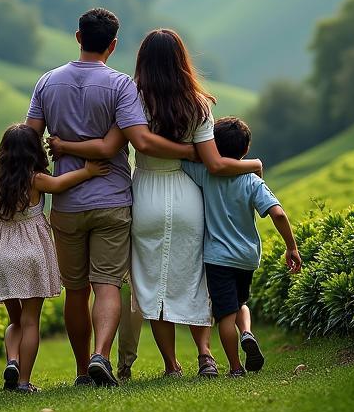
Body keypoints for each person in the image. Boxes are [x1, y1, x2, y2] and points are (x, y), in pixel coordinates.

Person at [49, 28, 264, 378]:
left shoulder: (134, 97)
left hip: (146, 193)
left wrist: (64, 146)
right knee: (195, 279)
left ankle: (170, 365)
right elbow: (213, 163)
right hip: (186, 197)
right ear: (182, 60)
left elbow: (122, 145)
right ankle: (205, 356)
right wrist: (251, 164)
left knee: (153, 286)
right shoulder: (199, 103)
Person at [26, 8, 195, 387]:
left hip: (66, 203)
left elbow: (28, 139)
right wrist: (188, 152)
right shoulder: (122, 87)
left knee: (75, 290)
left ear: (77, 37)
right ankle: (103, 353)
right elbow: (136, 140)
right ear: (113, 45)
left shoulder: (47, 83)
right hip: (113, 199)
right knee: (107, 285)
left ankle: (83, 368)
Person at [0, 122, 110, 393]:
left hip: (3, 257)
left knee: (15, 322)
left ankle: (12, 360)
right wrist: (88, 171)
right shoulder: (36, 179)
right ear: (34, 151)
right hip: (32, 255)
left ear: (3, 152)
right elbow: (61, 184)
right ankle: (24, 382)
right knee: (30, 321)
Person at [182, 116, 302, 376]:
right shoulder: (252, 180)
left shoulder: (205, 173)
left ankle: (236, 367)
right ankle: (246, 332)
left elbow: (182, 163)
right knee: (240, 303)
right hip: (246, 256)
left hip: (217, 257)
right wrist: (291, 247)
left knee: (225, 314)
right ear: (245, 150)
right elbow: (278, 214)